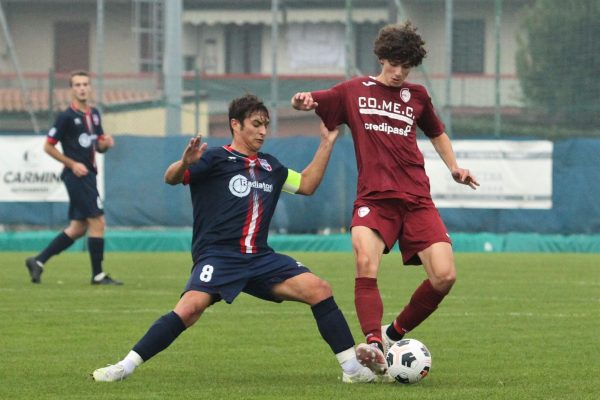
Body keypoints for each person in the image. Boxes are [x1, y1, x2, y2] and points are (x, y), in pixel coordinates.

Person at [92, 94, 376, 384]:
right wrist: (183, 163)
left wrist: (327, 143)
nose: (263, 131)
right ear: (235, 125)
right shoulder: (214, 158)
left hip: (261, 258)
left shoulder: (271, 167)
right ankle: (123, 367)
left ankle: (352, 371)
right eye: (256, 124)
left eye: (266, 124)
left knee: (319, 289)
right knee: (190, 309)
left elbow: (306, 184)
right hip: (219, 256)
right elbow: (170, 178)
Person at [291, 21, 479, 377]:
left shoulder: (418, 96)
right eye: (394, 64)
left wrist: (454, 167)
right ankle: (374, 343)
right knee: (366, 262)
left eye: (406, 66)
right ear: (381, 58)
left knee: (445, 276)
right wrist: (300, 100)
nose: (399, 72)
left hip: (417, 200)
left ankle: (394, 334)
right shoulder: (353, 90)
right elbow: (314, 100)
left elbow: (437, 133)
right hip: (374, 199)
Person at [24, 70, 122, 285]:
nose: (82, 88)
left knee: (78, 228)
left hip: (88, 175)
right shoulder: (66, 117)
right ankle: (98, 275)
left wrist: (105, 145)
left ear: (90, 87)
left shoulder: (94, 114)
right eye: (77, 84)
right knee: (98, 222)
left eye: (85, 84)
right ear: (71, 89)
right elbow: (48, 146)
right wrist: (72, 163)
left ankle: (38, 261)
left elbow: (99, 144)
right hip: (77, 176)